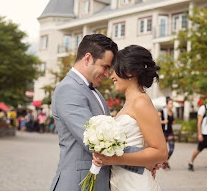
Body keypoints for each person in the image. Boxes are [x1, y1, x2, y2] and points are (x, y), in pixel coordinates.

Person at [50, 34, 144, 191]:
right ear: (87, 58)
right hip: (77, 184)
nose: (108, 74)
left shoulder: (95, 92)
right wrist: (146, 157)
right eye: (105, 66)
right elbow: (96, 144)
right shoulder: (68, 89)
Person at [93, 45, 168, 191]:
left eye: (115, 69)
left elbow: (160, 152)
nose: (112, 76)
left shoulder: (141, 102)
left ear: (131, 72)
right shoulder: (129, 104)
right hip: (121, 181)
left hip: (135, 184)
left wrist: (113, 159)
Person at [159, 96, 175, 170]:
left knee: (171, 149)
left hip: (170, 132)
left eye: (172, 103)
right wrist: (163, 122)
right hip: (163, 132)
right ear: (167, 104)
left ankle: (165, 162)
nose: (172, 105)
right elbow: (155, 120)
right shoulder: (162, 112)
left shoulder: (172, 112)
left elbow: (172, 121)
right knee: (164, 150)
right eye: (170, 103)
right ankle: (165, 163)